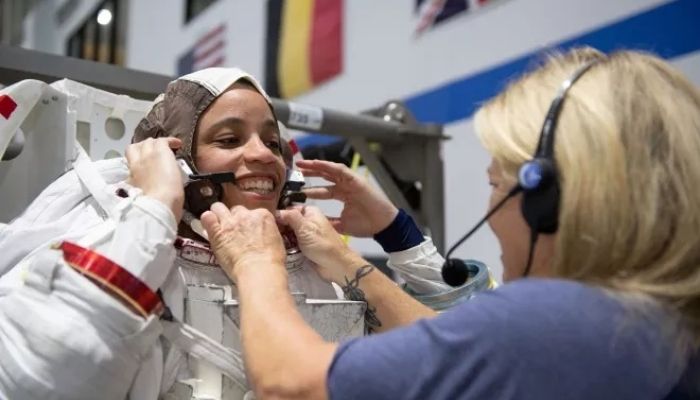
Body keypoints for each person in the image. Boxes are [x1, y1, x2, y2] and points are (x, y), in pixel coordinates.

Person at [199, 48, 700, 399]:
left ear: (544, 196)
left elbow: (293, 383)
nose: (259, 156)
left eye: (494, 182)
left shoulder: (561, 318)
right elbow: (457, 344)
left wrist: (254, 262)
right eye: (227, 140)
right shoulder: (654, 320)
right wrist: (361, 253)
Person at [0, 67, 471, 400]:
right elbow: (48, 377)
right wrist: (156, 210)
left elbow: (477, 354)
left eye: (272, 141)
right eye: (229, 140)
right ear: (175, 158)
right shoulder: (117, 246)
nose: (266, 156)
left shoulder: (319, 259)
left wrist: (399, 234)